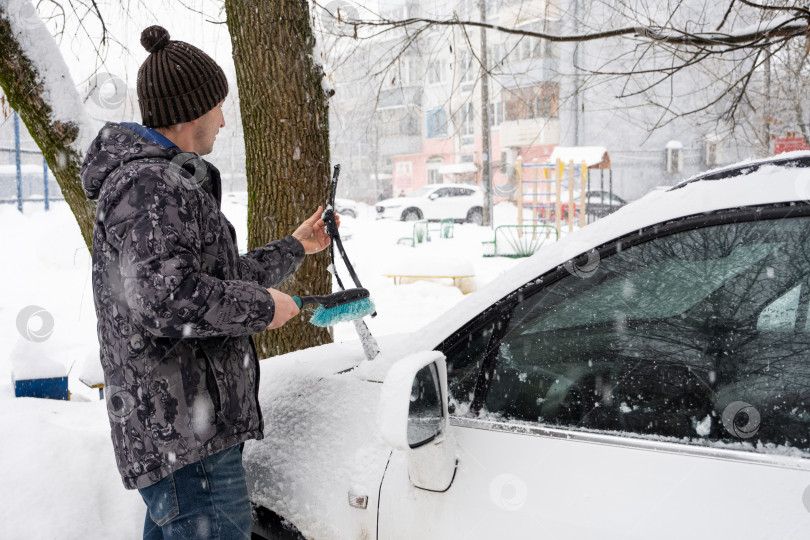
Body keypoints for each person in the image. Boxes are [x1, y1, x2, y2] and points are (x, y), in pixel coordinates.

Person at [80, 25, 337, 539]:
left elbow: (208, 280)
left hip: (189, 432)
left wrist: (295, 247)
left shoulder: (162, 181)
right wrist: (263, 308)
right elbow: (165, 299)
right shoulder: (150, 184)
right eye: (218, 106)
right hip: (185, 435)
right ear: (191, 111)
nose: (223, 119)